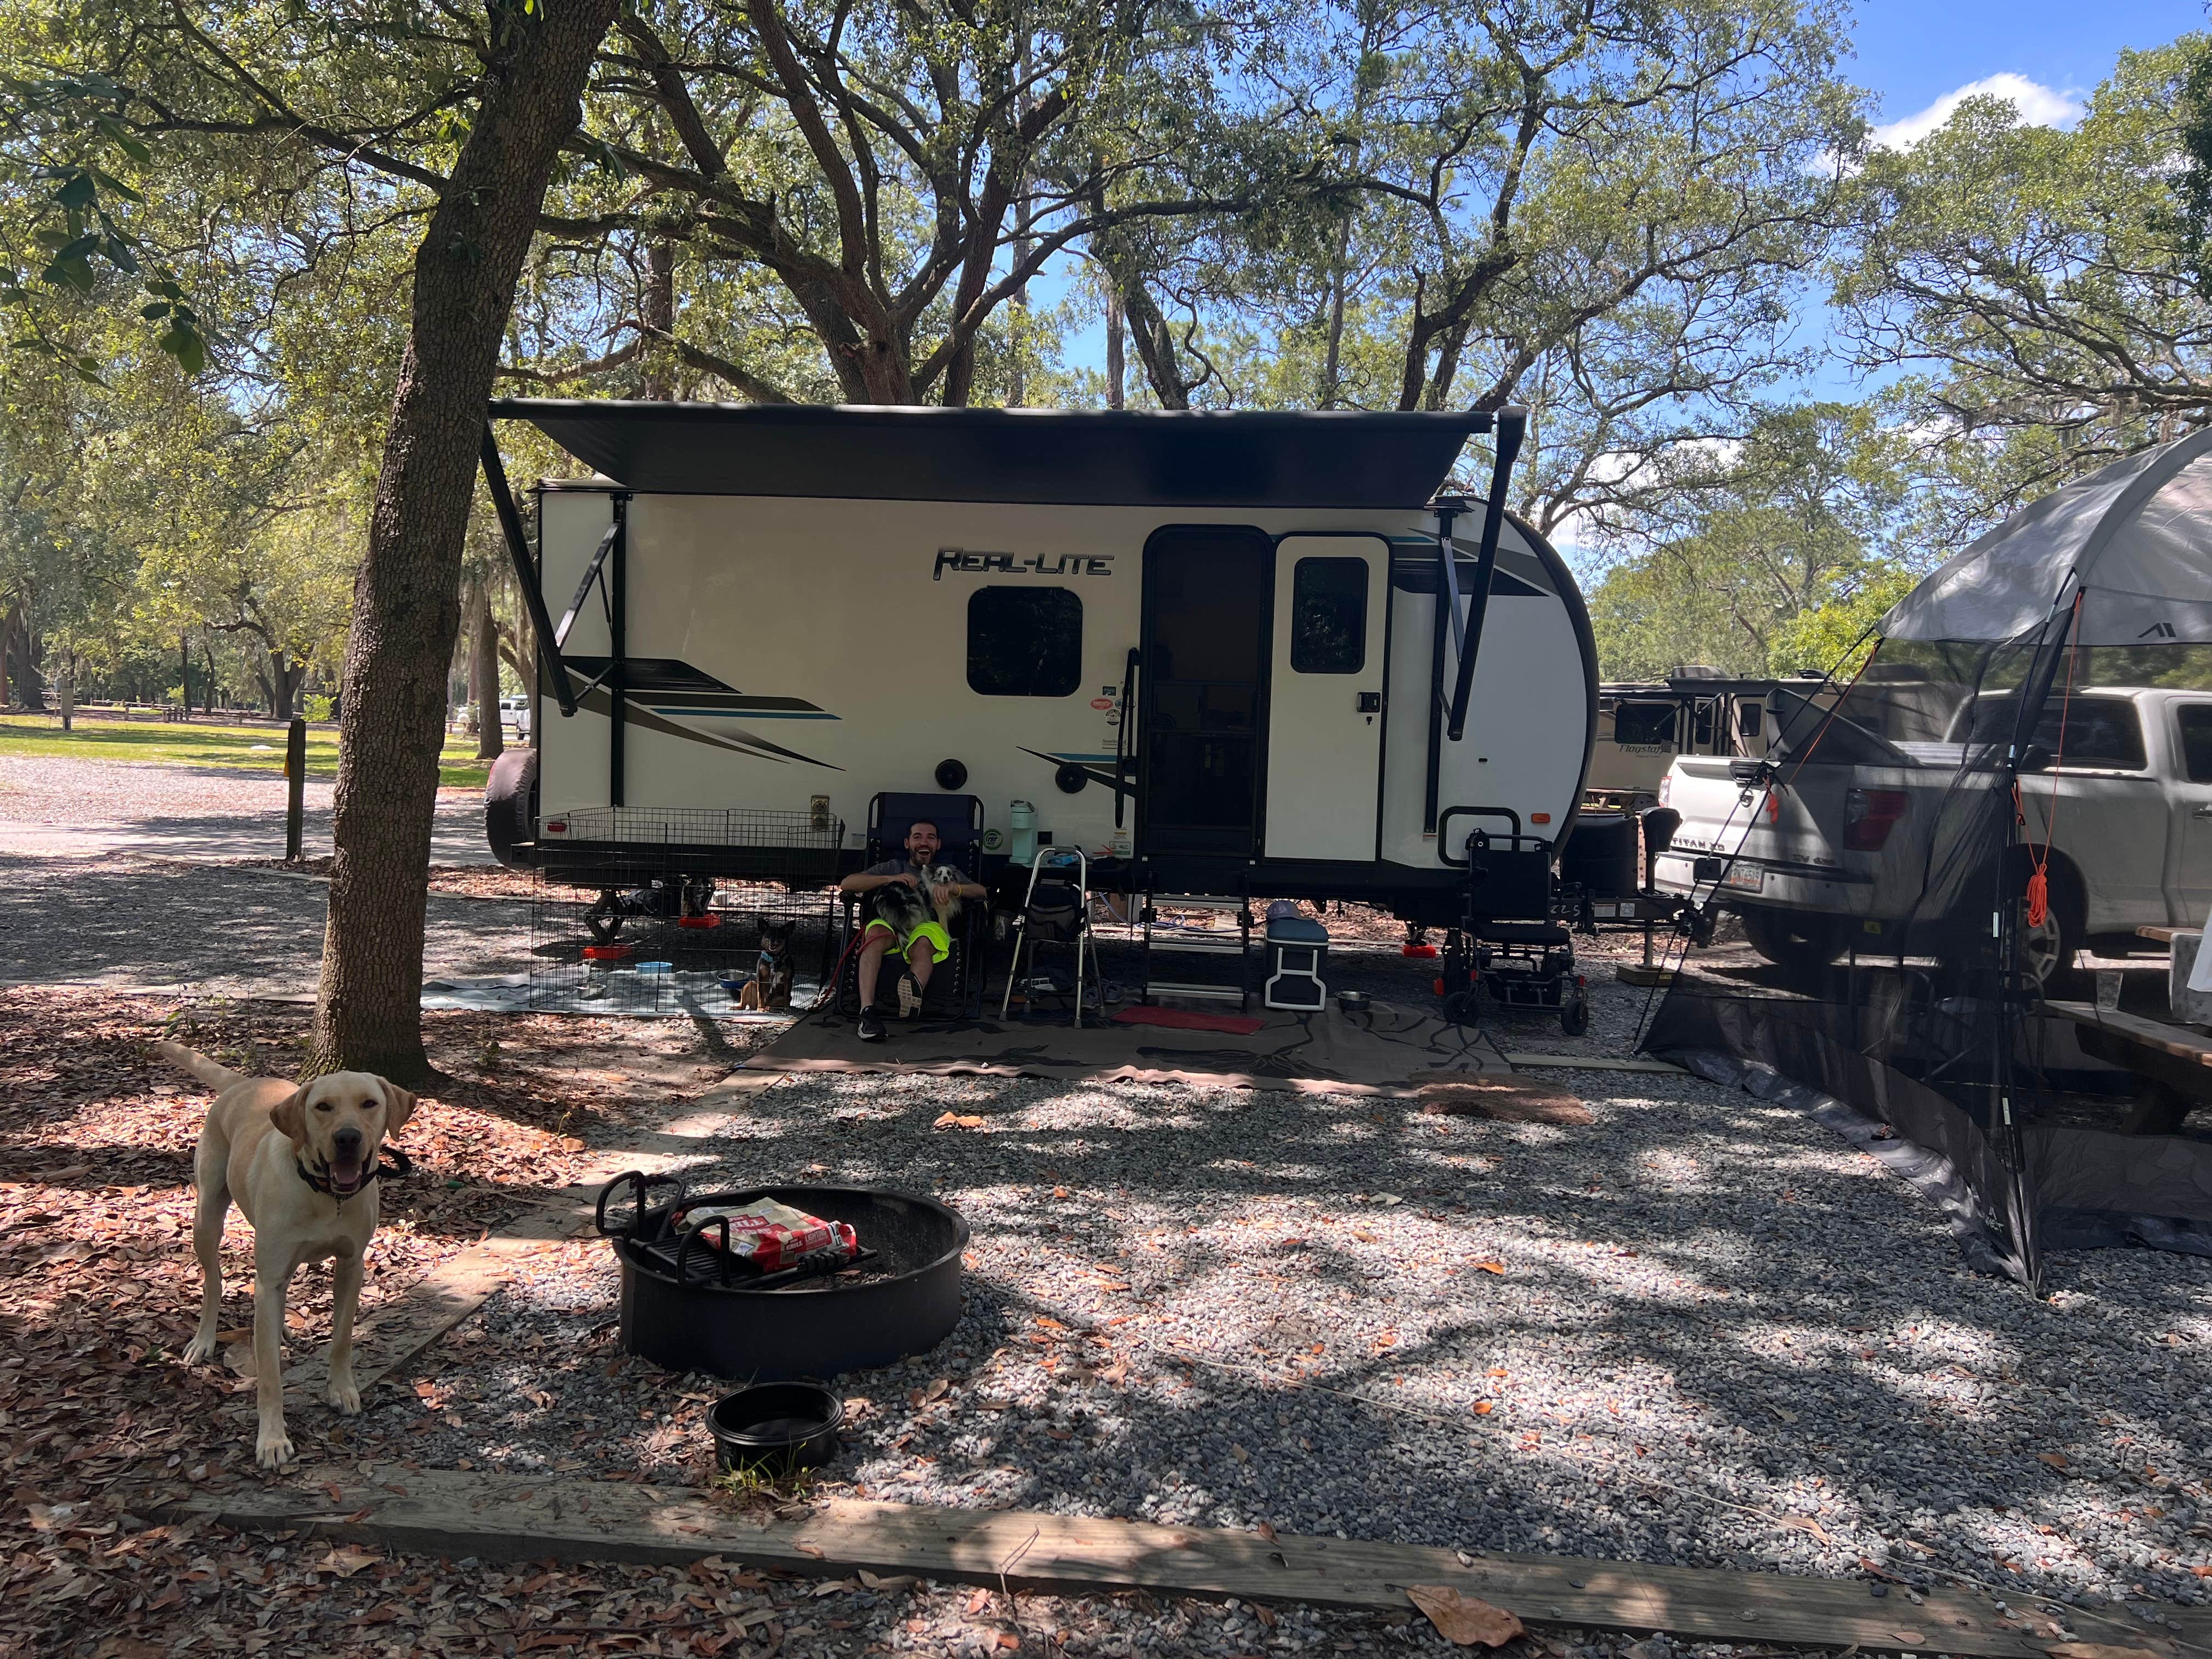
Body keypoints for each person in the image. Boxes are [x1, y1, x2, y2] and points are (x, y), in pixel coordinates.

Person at [839, 819, 986, 1041]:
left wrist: (955, 888)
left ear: (938, 845)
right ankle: (867, 1012)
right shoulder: (892, 866)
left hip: (926, 924)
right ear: (908, 843)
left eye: (930, 838)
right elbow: (848, 883)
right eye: (918, 837)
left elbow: (981, 891)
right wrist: (890, 879)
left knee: (924, 943)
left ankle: (911, 997)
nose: (924, 842)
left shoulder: (948, 871)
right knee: (875, 935)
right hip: (890, 922)